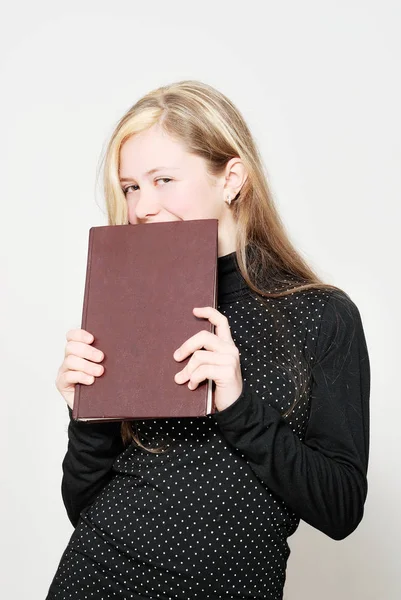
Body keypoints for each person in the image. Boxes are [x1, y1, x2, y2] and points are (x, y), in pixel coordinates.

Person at [46, 80, 370, 600]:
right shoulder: (130, 305)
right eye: (131, 187)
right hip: (95, 578)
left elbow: (341, 509)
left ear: (232, 179)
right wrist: (88, 416)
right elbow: (81, 507)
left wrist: (238, 405)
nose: (142, 207)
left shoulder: (322, 314)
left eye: (163, 180)